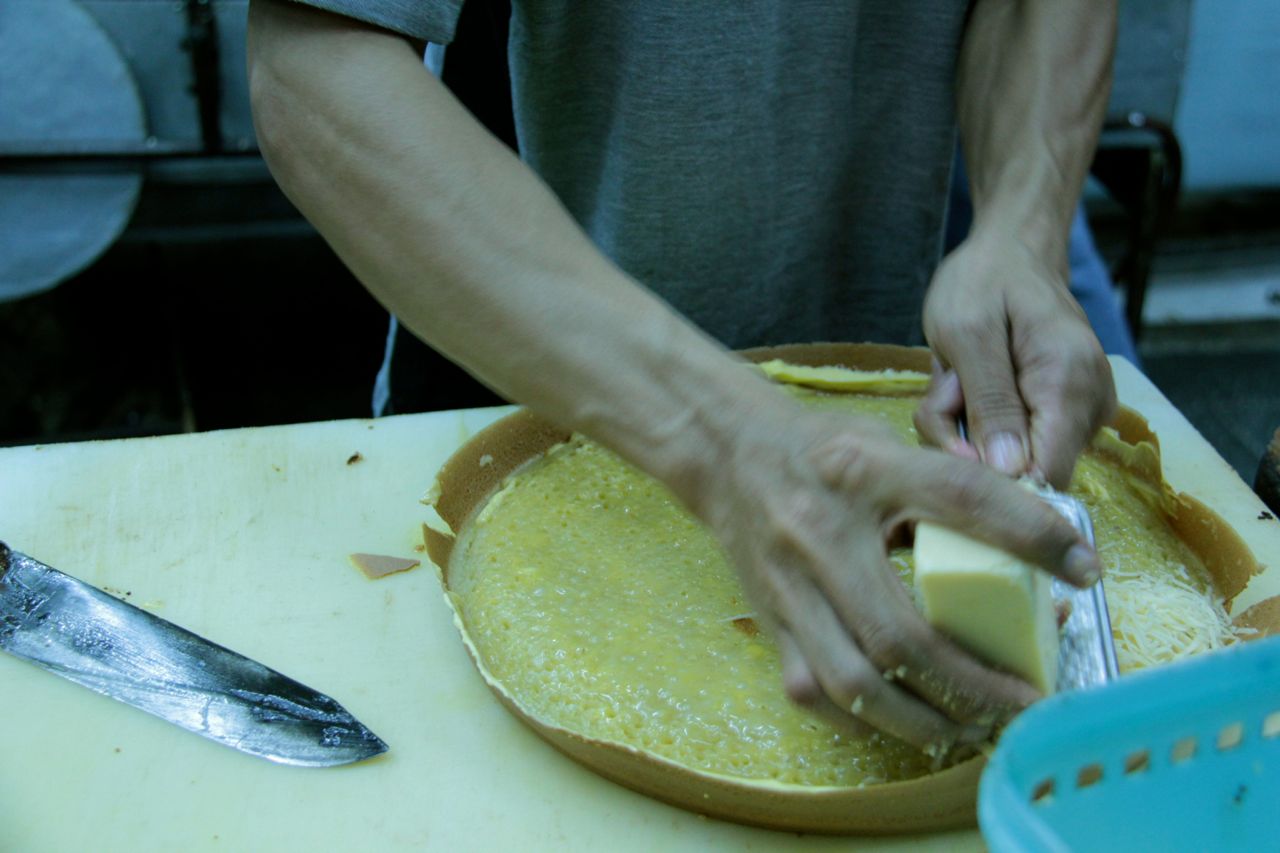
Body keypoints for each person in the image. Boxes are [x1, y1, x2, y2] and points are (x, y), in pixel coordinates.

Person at [247, 0, 1118, 754]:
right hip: (514, 397)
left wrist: (1025, 222)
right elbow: (315, 64)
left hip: (887, 411)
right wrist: (722, 433)